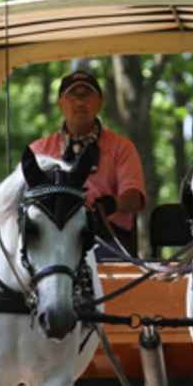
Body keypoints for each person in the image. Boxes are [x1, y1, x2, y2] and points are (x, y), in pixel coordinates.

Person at [29, 70, 147, 256]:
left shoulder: (121, 147)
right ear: (60, 103)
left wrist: (112, 204)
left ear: (100, 103)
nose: (80, 102)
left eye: (88, 95)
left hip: (105, 235)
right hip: (53, 235)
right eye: (72, 95)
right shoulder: (38, 150)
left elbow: (135, 197)